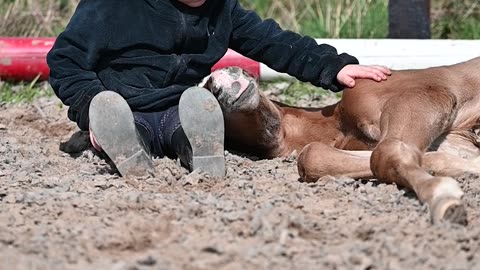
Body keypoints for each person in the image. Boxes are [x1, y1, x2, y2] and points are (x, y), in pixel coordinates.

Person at [47, 0, 391, 178]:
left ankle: (200, 149)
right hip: (123, 104)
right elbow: (65, 60)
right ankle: (119, 140)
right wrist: (90, 105)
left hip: (176, 109)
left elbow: (273, 42)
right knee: (121, 120)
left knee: (192, 114)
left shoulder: (222, 10)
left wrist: (333, 66)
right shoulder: (114, 7)